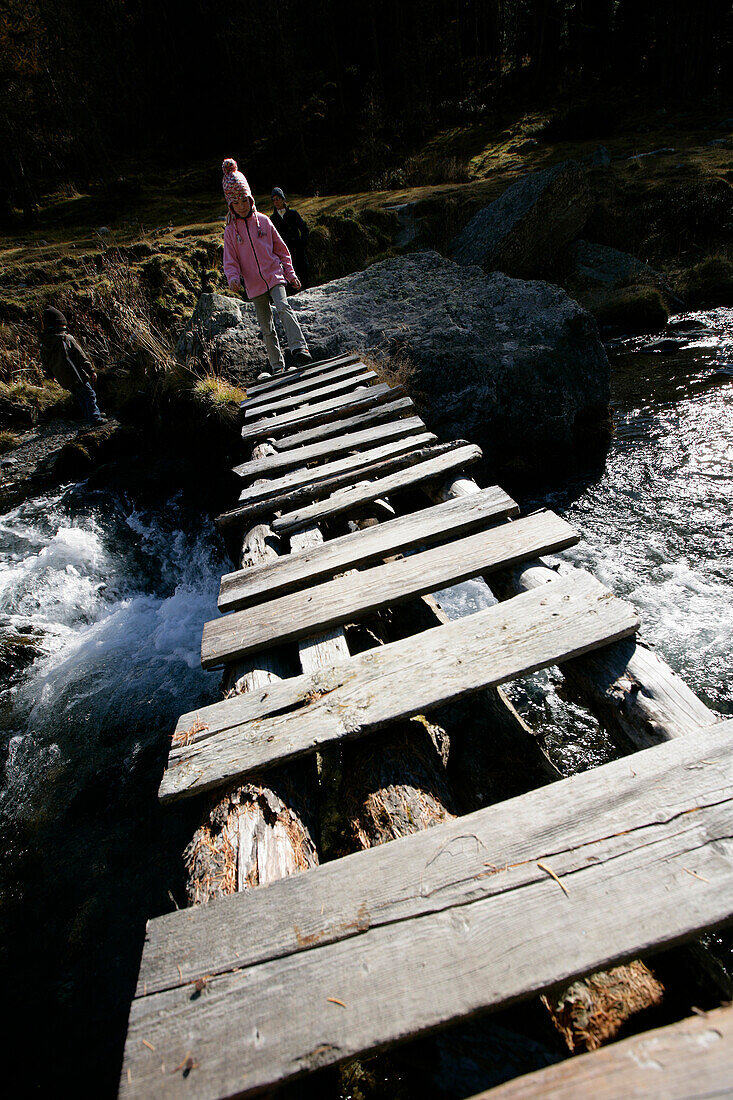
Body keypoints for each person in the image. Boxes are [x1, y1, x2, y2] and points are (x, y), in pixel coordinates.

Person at [221, 159, 312, 378]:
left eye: (245, 200)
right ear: (230, 205)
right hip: (253, 284)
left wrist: (290, 274)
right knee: (266, 326)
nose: (242, 205)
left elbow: (281, 250)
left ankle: (300, 348)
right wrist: (233, 279)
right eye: (237, 202)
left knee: (283, 306)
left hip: (274, 275)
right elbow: (230, 261)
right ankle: (276, 366)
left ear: (250, 198)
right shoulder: (231, 231)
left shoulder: (263, 221)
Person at [39, 307, 106, 425]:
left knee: (80, 396)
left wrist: (50, 375)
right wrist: (91, 371)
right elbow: (80, 356)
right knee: (89, 394)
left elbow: (45, 362)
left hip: (63, 378)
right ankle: (95, 418)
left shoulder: (44, 343)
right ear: (60, 324)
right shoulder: (66, 339)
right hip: (75, 374)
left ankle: (90, 414)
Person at [271, 187, 310, 290]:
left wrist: (303, 243)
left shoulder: (293, 214)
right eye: (274, 199)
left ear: (283, 199)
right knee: (288, 275)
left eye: (278, 198)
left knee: (303, 272)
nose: (276, 202)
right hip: (283, 252)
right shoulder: (272, 219)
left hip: (298, 249)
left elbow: (304, 228)